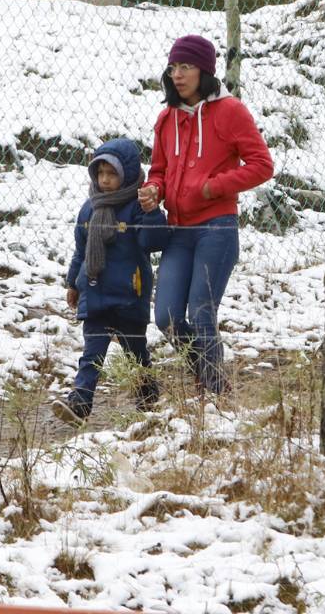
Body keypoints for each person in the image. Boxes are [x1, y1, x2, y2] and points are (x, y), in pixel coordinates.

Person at [138, 35, 274, 395]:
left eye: (186, 67)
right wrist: (155, 190)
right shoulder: (166, 119)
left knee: (201, 313)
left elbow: (262, 165)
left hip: (217, 227)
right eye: (172, 68)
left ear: (205, 71)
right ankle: (212, 377)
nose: (177, 75)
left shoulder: (230, 112)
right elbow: (159, 170)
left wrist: (214, 187)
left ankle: (213, 393)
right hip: (178, 231)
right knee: (166, 317)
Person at [54, 138, 169, 424]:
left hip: (129, 293)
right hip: (94, 294)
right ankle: (79, 404)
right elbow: (81, 251)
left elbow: (152, 242)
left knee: (136, 353)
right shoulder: (89, 209)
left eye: (112, 174)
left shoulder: (137, 207)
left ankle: (148, 396)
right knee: (92, 353)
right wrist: (73, 282)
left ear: (127, 174)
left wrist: (153, 212)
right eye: (100, 173)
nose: (104, 180)